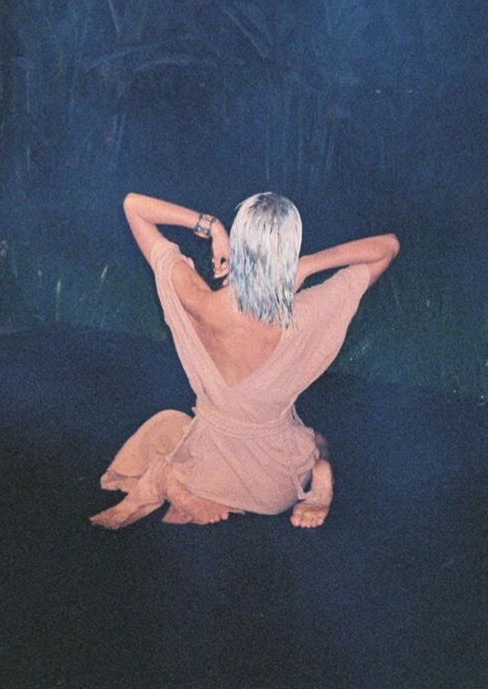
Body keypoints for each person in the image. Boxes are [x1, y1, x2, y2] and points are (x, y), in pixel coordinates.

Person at [90, 192, 398, 530]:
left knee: (168, 427)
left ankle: (175, 483)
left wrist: (213, 227)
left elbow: (133, 206)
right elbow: (388, 247)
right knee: (315, 442)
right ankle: (320, 479)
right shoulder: (305, 317)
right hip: (273, 487)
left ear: (238, 245)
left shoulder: (199, 301)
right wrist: (307, 264)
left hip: (203, 470)